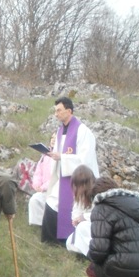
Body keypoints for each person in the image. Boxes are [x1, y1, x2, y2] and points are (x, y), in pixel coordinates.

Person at [41, 97, 99, 245]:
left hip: (79, 180)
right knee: (52, 202)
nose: (56, 114)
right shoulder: (60, 131)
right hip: (63, 175)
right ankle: (51, 240)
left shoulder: (83, 131)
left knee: (71, 207)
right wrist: (52, 147)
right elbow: (58, 153)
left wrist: (63, 157)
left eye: (59, 110)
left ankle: (68, 240)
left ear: (69, 111)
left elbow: (85, 159)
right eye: (55, 111)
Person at [65, 165, 96, 256]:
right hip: (83, 227)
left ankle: (96, 254)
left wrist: (84, 217)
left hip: (97, 227)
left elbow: (102, 214)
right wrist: (76, 219)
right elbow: (76, 212)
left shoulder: (98, 194)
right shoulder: (79, 197)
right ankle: (88, 253)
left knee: (83, 226)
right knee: (69, 242)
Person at [28, 134, 56, 226]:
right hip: (43, 190)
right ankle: (37, 225)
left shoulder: (59, 157)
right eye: (52, 138)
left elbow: (56, 176)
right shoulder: (45, 155)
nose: (53, 140)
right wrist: (36, 184)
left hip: (54, 190)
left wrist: (43, 187)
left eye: (55, 138)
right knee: (34, 200)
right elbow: (38, 171)